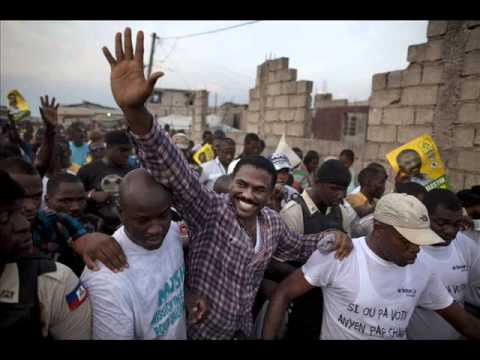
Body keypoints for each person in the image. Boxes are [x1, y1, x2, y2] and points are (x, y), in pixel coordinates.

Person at [98, 27, 352, 340]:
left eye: (259, 189)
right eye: (241, 184)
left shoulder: (272, 224)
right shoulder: (209, 210)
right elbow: (171, 166)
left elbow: (300, 245)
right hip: (199, 331)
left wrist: (334, 237)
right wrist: (135, 110)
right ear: (231, 183)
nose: (247, 194)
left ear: (272, 192)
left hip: (241, 331)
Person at [263, 193, 480, 340]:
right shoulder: (340, 256)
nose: (415, 248)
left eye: (420, 239)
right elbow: (284, 292)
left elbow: (465, 323)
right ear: (378, 229)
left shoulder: (421, 269)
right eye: (406, 239)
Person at [81, 169, 207, 339]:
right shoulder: (106, 281)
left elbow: (164, 282)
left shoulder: (172, 232)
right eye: (142, 220)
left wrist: (187, 297)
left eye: (163, 216)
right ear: (120, 213)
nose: (156, 229)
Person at [0, 170, 91, 339]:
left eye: (36, 197)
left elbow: (82, 235)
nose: (23, 225)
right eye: (4, 217)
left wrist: (88, 241)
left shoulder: (54, 282)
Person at [272, 159, 356, 339]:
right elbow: (276, 264)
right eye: (334, 189)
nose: (340, 195)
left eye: (344, 189)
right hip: (301, 301)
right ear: (317, 183)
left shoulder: (342, 213)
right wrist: (314, 278)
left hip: (332, 303)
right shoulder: (294, 212)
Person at [0, 157, 117, 276]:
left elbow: (81, 238)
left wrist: (87, 241)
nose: (30, 206)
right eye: (22, 198)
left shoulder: (52, 219)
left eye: (36, 197)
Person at [406, 189, 480, 339]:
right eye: (441, 223)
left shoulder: (466, 246)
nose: (450, 231)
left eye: (457, 224)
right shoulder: (406, 250)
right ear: (424, 217)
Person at [78, 130, 135, 234]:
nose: (127, 154)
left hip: (125, 230)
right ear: (108, 148)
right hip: (96, 230)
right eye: (122, 150)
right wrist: (91, 195)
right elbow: (74, 198)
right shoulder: (87, 171)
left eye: (129, 150)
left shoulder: (133, 171)